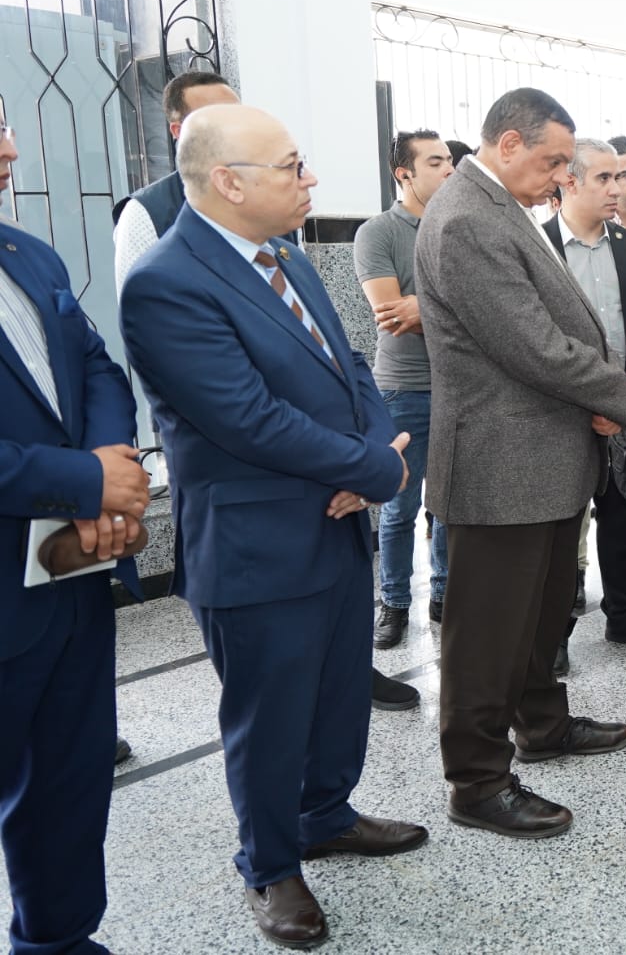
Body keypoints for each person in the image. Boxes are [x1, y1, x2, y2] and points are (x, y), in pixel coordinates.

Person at [120, 104, 428, 948]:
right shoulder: (166, 282)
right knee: (270, 716)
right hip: (258, 542)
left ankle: (326, 815)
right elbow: (246, 418)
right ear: (228, 182)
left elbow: (350, 363)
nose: (310, 178)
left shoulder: (284, 254)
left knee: (337, 695)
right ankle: (269, 863)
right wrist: (373, 470)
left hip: (335, 518)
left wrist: (375, 450)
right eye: (292, 166)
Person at [415, 88, 626, 838]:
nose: (561, 177)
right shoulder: (467, 220)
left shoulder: (502, 206)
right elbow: (533, 346)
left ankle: (542, 725)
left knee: (540, 615)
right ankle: (477, 782)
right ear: (508, 143)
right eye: (553, 161)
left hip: (543, 454)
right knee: (488, 634)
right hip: (501, 462)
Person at [1, 114, 147, 955]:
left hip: (68, 579)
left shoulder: (31, 255)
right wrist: (85, 482)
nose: (10, 150)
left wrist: (106, 465)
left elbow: (96, 366)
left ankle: (56, 941)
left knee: (67, 781)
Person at [543, 138, 626, 649]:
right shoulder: (538, 245)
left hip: (621, 407)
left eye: (622, 177)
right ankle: (556, 633)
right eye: (605, 178)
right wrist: (589, 399)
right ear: (569, 181)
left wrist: (624, 398)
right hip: (561, 411)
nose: (619, 188)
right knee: (563, 528)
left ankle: (623, 617)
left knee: (622, 516)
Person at [357, 129, 454, 649]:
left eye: (449, 160)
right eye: (435, 162)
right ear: (404, 173)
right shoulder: (378, 233)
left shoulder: (458, 228)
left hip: (461, 387)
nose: (449, 169)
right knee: (399, 508)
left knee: (450, 505)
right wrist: (450, 310)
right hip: (404, 389)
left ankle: (444, 594)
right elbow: (392, 316)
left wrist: (426, 308)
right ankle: (394, 603)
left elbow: (489, 312)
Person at [112, 71, 239, 292]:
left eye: (237, 116)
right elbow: (140, 302)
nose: (232, 128)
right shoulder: (145, 212)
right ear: (179, 131)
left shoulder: (266, 191)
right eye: (214, 119)